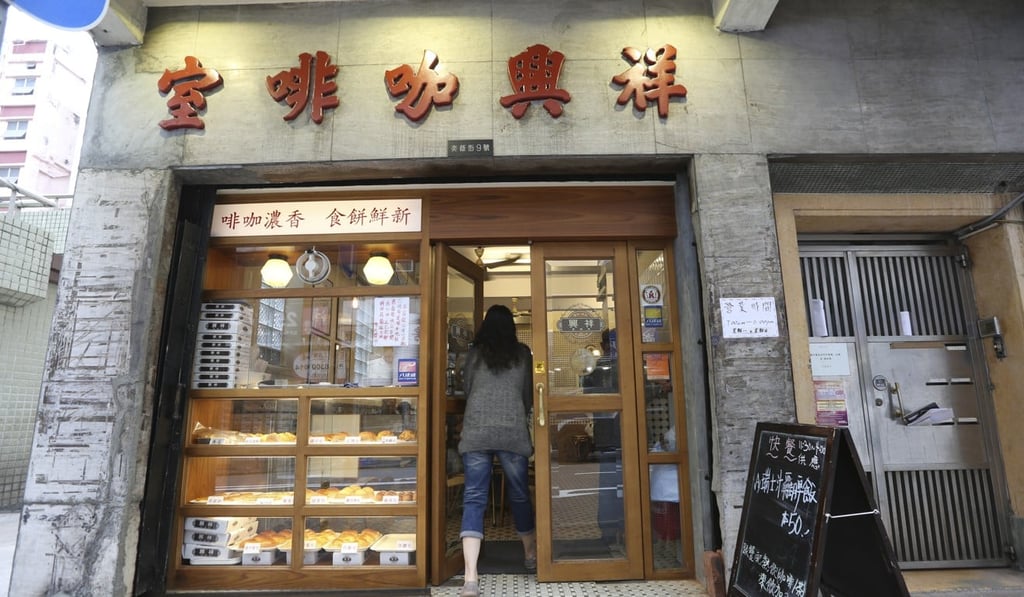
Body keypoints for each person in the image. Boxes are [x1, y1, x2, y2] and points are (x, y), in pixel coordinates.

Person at [458, 304, 536, 597]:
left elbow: (467, 389)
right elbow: (528, 395)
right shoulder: (522, 354)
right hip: (512, 432)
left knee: (474, 498)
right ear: (512, 327)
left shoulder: (475, 354)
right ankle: (530, 555)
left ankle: (470, 578)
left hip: (477, 431)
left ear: (485, 325)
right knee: (518, 494)